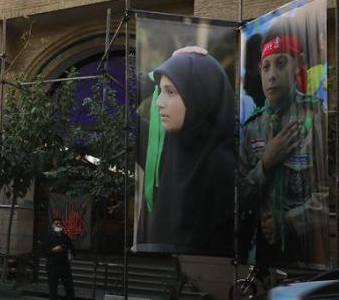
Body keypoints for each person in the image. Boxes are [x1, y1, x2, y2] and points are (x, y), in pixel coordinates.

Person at [238, 22, 328, 267]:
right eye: (266, 67)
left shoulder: (314, 117)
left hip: (304, 255)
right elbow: (240, 196)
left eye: (281, 63)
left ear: (298, 63)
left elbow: (326, 197)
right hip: (258, 255)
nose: (272, 75)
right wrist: (265, 164)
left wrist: (287, 220)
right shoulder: (252, 127)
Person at [138, 50, 234, 253]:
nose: (158, 102)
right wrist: (157, 72)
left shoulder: (226, 166)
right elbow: (105, 101)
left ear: (199, 94)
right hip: (160, 274)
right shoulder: (158, 147)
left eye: (170, 92)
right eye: (160, 91)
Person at [45, 218, 78, 300]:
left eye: (60, 223)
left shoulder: (66, 238)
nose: (58, 225)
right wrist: (53, 250)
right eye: (56, 223)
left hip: (64, 266)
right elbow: (43, 251)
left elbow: (72, 249)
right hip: (52, 265)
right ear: (52, 226)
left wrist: (71, 255)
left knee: (69, 287)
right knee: (53, 288)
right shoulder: (49, 237)